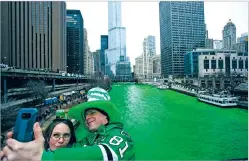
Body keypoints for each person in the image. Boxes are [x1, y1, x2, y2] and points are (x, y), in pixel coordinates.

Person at [0, 87, 135, 161]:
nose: (88, 117)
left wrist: (40, 156)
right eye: (86, 114)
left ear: (106, 117)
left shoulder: (122, 137)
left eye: (92, 112)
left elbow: (107, 154)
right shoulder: (87, 140)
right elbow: (66, 149)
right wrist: (26, 148)